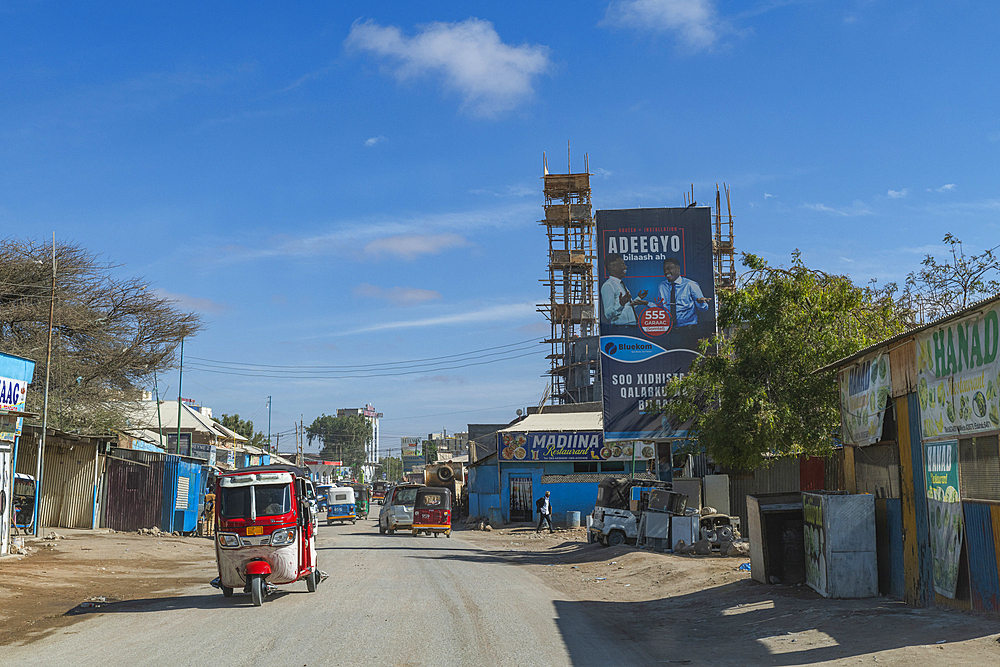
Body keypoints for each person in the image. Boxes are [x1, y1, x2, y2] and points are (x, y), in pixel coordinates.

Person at [657, 257, 710, 329]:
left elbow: (704, 309)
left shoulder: (690, 285)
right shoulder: (662, 287)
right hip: (669, 330)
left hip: (688, 329)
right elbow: (660, 308)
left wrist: (701, 302)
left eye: (669, 268)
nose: (666, 272)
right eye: (665, 270)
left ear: (678, 268)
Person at [600, 254, 648, 332]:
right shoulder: (608, 286)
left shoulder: (621, 284)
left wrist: (639, 298)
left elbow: (627, 307)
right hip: (621, 329)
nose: (625, 267)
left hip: (631, 329)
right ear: (613, 267)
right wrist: (621, 304)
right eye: (622, 264)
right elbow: (608, 314)